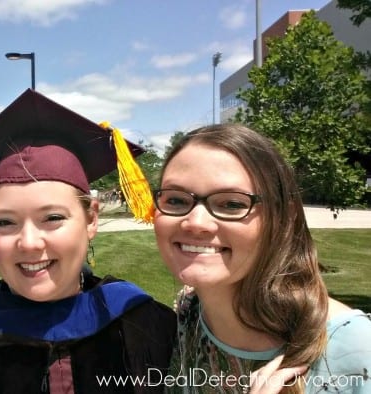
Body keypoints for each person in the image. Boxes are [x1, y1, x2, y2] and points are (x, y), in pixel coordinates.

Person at [0, 89, 176, 394]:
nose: (28, 243)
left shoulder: (142, 324)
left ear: (91, 219)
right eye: (5, 222)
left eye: (52, 218)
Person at [153, 124, 371, 393]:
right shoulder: (189, 313)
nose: (195, 222)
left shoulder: (352, 352)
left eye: (232, 204)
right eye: (176, 200)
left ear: (284, 218)